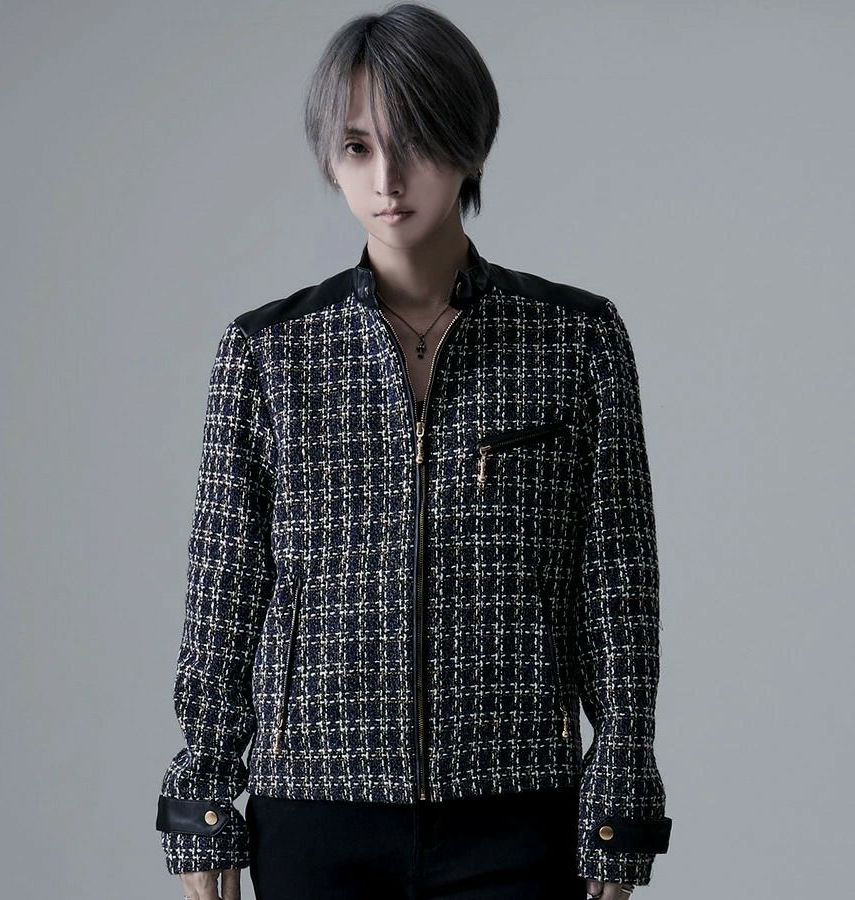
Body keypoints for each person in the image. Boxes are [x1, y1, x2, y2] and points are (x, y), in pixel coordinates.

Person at [154, 4, 672, 899]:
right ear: (330, 158)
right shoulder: (269, 353)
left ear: (471, 146)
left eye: (417, 143)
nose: (387, 179)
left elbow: (617, 584)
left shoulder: (575, 339)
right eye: (358, 147)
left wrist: (620, 794)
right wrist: (203, 798)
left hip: (516, 811)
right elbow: (225, 590)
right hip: (315, 810)